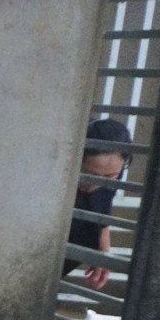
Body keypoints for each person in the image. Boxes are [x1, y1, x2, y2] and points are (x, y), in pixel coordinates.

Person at [68, 118, 132, 291]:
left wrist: (104, 253)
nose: (96, 184)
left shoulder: (113, 169)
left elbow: (103, 205)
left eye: (110, 177)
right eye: (90, 174)